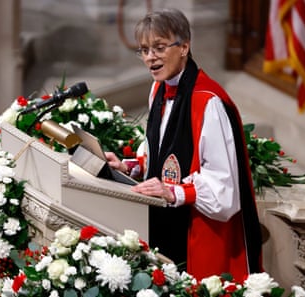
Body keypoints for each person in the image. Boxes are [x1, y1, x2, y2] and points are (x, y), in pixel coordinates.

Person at [105, 8, 262, 282]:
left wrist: (173, 192)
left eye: (159, 47)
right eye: (144, 50)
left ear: (184, 47)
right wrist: (129, 166)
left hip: (199, 235)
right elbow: (162, 156)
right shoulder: (159, 90)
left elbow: (224, 192)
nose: (150, 57)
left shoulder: (208, 103)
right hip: (161, 227)